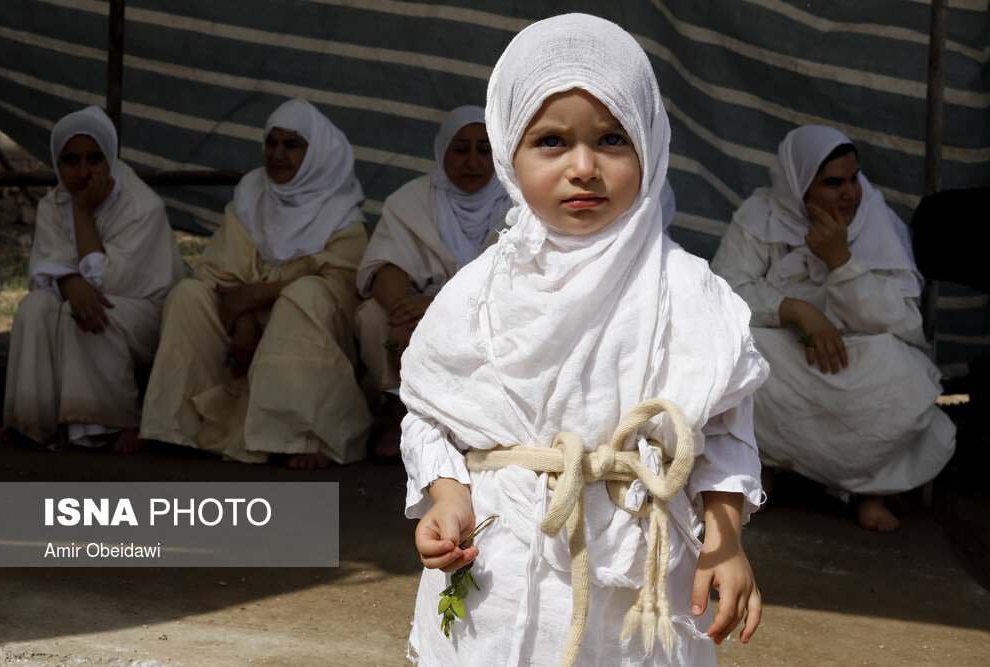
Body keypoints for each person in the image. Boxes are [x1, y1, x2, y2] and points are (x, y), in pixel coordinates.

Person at [400, 14, 768, 665]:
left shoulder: (689, 293)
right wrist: (449, 496)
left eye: (612, 139)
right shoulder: (480, 294)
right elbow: (430, 414)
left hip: (641, 586)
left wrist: (725, 538)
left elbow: (727, 430)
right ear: (508, 150)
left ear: (650, 148)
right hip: (502, 570)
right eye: (550, 141)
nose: (583, 166)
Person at [710, 125, 956, 532]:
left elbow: (904, 322)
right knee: (737, 357)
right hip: (786, 347)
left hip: (854, 354)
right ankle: (762, 466)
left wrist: (842, 262)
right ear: (798, 187)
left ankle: (869, 487)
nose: (850, 192)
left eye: (854, 178)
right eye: (833, 183)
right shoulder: (761, 217)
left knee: (904, 376)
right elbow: (722, 294)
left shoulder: (876, 222)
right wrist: (797, 310)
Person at [139, 99, 371, 468]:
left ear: (317, 155)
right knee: (188, 295)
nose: (277, 154)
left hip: (310, 335)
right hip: (242, 330)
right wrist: (243, 318)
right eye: (271, 142)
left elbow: (342, 288)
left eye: (291, 145)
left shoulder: (343, 216)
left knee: (305, 296)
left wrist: (259, 295)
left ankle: (302, 433)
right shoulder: (251, 198)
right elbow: (217, 273)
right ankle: (180, 427)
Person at [0, 105, 186, 451]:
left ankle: (114, 421)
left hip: (147, 317)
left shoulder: (142, 206)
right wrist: (73, 285)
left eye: (94, 159)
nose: (83, 172)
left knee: (92, 312)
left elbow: (108, 284)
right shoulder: (52, 204)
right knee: (34, 306)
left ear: (110, 158)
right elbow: (45, 272)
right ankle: (31, 423)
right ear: (57, 162)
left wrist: (82, 212)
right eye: (70, 161)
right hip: (89, 300)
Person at [355, 105, 511, 462]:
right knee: (371, 317)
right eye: (461, 149)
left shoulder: (517, 201)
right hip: (413, 310)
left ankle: (480, 428)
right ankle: (401, 422)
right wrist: (400, 318)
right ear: (443, 151)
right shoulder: (410, 200)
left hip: (489, 308)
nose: (473, 161)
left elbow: (519, 278)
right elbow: (386, 262)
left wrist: (440, 304)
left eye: (484, 150)